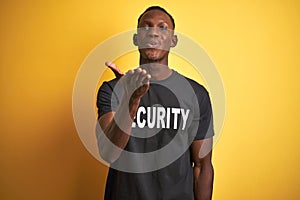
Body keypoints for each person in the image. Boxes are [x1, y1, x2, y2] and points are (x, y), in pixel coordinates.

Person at [96, 6, 214, 200]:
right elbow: (109, 153)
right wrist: (131, 99)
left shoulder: (196, 94)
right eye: (146, 27)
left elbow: (202, 166)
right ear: (136, 39)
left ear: (173, 41)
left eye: (163, 28)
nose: (153, 32)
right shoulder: (112, 89)